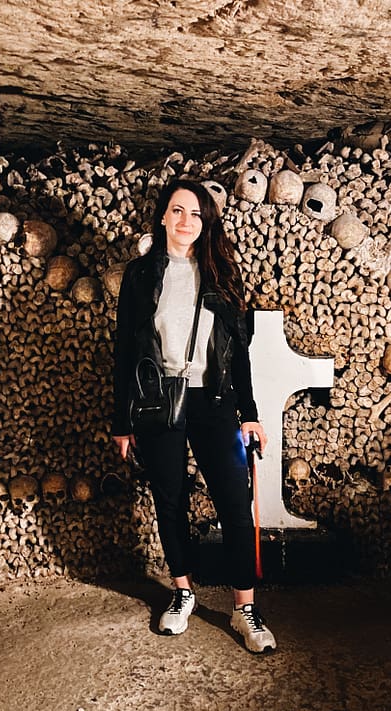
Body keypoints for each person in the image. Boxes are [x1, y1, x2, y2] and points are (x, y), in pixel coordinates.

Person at [112, 178, 275, 653]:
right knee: (170, 499)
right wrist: (121, 421)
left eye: (197, 214)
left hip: (215, 402)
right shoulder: (139, 275)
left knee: (233, 503)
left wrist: (250, 413)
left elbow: (238, 352)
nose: (187, 221)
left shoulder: (223, 274)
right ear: (163, 216)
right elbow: (124, 349)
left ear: (207, 224)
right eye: (178, 211)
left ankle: (244, 608)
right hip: (157, 401)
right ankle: (183, 593)